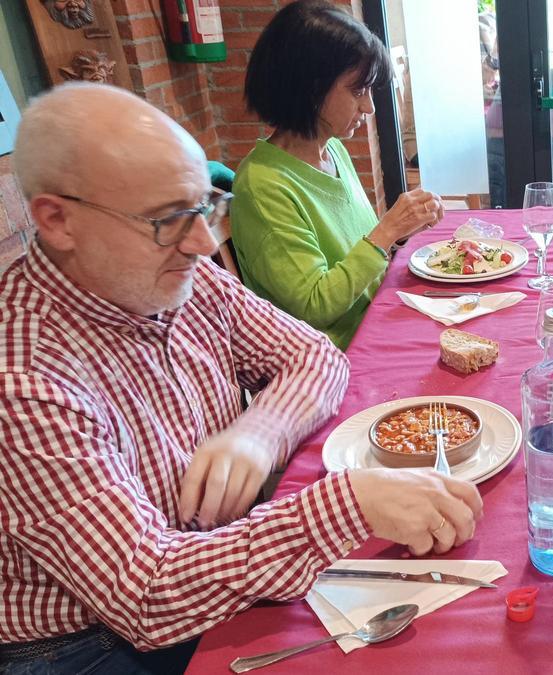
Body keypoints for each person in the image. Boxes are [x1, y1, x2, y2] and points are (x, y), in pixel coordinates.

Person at [0, 83, 481, 673]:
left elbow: (317, 356)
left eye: (203, 208)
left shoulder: (172, 271)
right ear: (58, 220)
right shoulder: (22, 378)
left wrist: (261, 428)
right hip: (97, 642)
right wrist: (347, 505)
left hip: (220, 555)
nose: (203, 243)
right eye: (169, 219)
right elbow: (147, 595)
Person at [232, 0, 444, 351]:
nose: (369, 107)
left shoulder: (333, 151)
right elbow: (315, 306)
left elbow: (355, 255)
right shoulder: (262, 185)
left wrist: (400, 233)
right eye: (357, 90)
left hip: (377, 324)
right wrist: (386, 230)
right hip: (337, 359)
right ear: (309, 87)